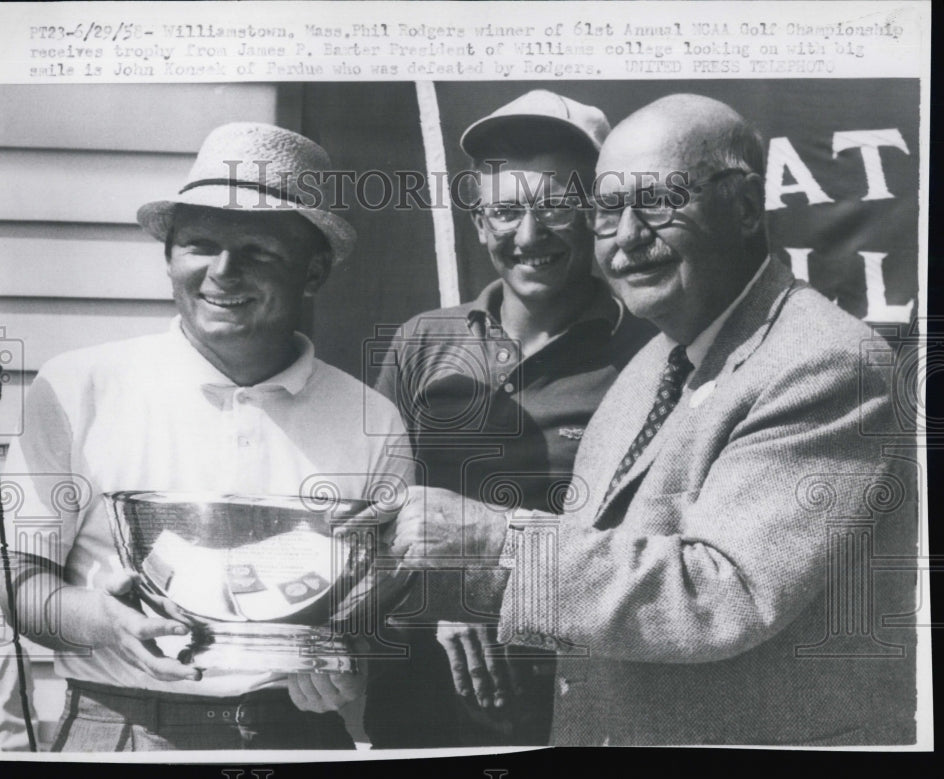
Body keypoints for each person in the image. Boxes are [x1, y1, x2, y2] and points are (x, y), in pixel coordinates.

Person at [390, 94, 917, 745]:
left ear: (746, 208)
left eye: (660, 201)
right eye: (607, 211)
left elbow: (721, 595)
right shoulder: (655, 364)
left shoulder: (826, 363)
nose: (629, 235)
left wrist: (495, 537)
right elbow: (603, 564)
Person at [0, 122, 413, 751]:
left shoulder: (370, 417)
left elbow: (378, 602)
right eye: (200, 244)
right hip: (119, 731)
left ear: (314, 271)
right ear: (168, 255)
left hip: (291, 734)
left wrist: (345, 660)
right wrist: (101, 621)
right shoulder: (80, 386)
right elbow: (16, 582)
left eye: (259, 251)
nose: (223, 272)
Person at [364, 90, 654, 747]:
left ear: (600, 215)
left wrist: (490, 577)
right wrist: (441, 601)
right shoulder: (423, 340)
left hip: (582, 695)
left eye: (557, 206)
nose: (529, 235)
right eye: (505, 210)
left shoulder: (652, 353)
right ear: (478, 224)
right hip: (420, 691)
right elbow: (366, 512)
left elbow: (651, 547)